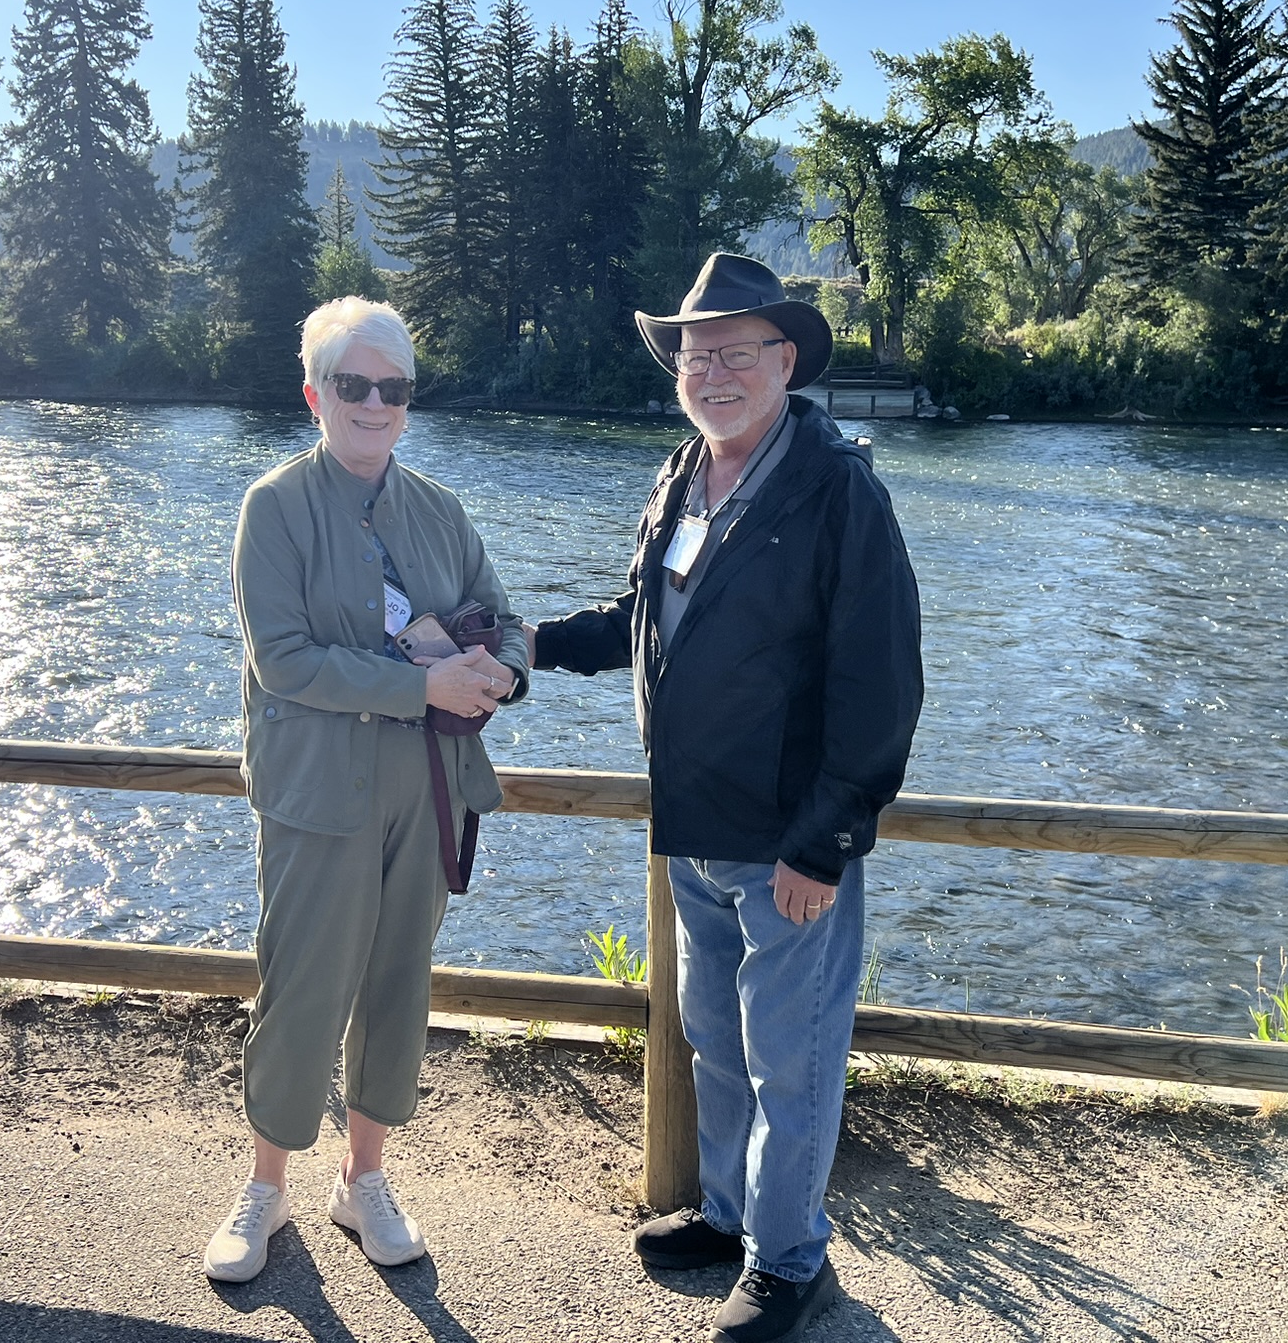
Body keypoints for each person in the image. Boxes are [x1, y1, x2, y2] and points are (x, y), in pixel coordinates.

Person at [530, 253, 922, 1343]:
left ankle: (791, 1263)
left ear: (784, 361)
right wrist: (530, 645)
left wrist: (824, 842)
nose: (713, 373)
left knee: (790, 1060)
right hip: (693, 826)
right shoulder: (681, 472)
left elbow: (881, 683)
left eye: (736, 352)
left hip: (786, 841)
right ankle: (730, 1214)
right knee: (713, 1037)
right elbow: (640, 619)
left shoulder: (838, 489)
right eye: (696, 356)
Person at [204, 297, 529, 1284]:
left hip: (427, 791)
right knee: (301, 986)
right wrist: (421, 687)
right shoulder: (273, 507)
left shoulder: (439, 510)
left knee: (397, 985)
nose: (375, 403)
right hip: (316, 792)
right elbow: (283, 661)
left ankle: (364, 1178)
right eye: (354, 384)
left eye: (394, 388)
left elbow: (508, 622)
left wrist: (502, 672)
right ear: (316, 394)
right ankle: (265, 1189)